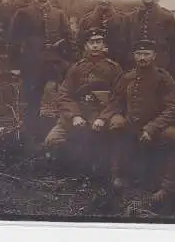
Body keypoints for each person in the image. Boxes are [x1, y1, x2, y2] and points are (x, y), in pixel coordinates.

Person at [98, 39, 175, 206]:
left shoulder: (164, 78)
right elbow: (116, 102)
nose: (142, 57)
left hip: (157, 125)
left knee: (171, 136)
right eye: (139, 54)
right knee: (116, 125)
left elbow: (172, 109)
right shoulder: (127, 77)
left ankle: (166, 187)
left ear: (154, 56)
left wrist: (151, 128)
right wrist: (104, 117)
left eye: (146, 54)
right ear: (134, 56)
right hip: (132, 123)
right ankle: (120, 175)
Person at [43, 27, 123, 180]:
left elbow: (118, 98)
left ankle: (111, 172)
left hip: (101, 114)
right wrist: (74, 116)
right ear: (86, 45)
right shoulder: (76, 68)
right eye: (91, 42)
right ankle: (68, 172)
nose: (95, 46)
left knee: (115, 130)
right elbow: (64, 95)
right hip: (79, 114)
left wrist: (103, 118)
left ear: (104, 45)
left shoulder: (114, 68)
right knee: (52, 140)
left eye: (98, 42)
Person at [7, 0, 73, 144]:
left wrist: (70, 62)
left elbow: (69, 39)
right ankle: (30, 136)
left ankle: (55, 133)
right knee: (32, 100)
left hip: (55, 64)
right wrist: (15, 65)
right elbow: (14, 40)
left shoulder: (59, 14)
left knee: (57, 98)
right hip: (32, 64)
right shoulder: (23, 13)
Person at [124, 0, 175, 81]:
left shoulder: (167, 17)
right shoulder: (130, 18)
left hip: (161, 70)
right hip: (135, 70)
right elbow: (126, 45)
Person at [77, 0, 129, 68]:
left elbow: (126, 45)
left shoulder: (123, 20)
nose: (104, 0)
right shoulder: (86, 21)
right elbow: (80, 45)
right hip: (92, 66)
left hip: (118, 65)